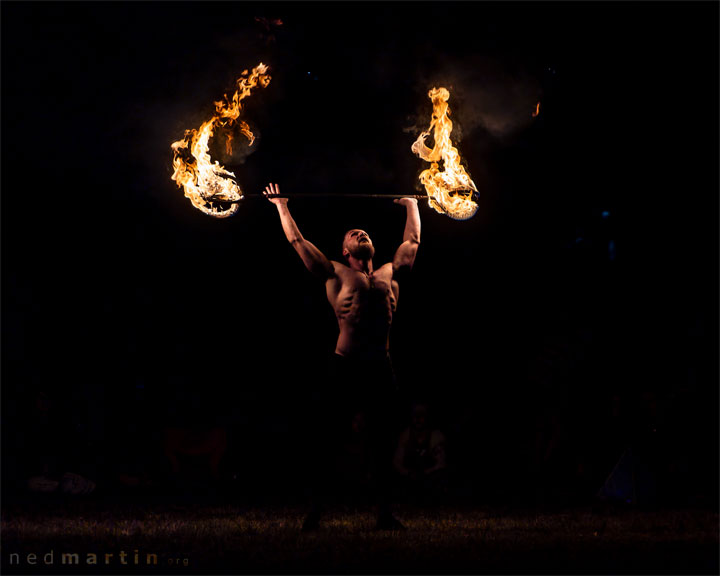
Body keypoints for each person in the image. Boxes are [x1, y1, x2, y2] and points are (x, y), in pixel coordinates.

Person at [264, 182, 420, 531]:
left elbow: (412, 243)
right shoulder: (335, 272)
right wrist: (281, 205)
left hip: (381, 366)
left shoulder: (389, 273)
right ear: (345, 249)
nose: (360, 233)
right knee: (331, 439)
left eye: (363, 232)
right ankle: (316, 510)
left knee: (383, 440)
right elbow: (298, 243)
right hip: (345, 366)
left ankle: (383, 512)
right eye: (354, 234)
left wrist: (411, 204)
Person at [393, 401, 448, 505]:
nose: (418, 418)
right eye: (415, 415)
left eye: (421, 415)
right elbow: (397, 462)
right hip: (410, 478)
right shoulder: (405, 435)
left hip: (429, 478)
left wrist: (425, 474)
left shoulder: (436, 436)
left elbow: (441, 464)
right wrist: (408, 473)